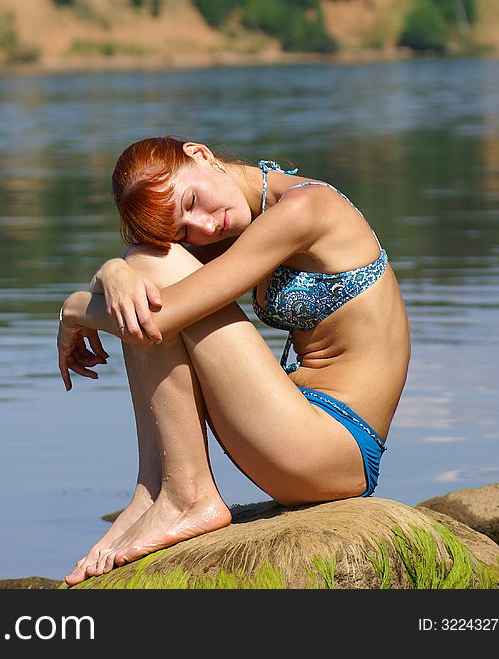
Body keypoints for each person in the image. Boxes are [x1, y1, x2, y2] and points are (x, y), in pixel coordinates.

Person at [56, 136, 410, 587]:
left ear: (200, 153)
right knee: (145, 263)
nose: (202, 228)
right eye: (184, 229)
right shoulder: (240, 220)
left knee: (151, 273)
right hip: (298, 429)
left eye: (192, 200)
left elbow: (157, 317)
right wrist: (110, 271)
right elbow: (144, 276)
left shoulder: (307, 209)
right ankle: (152, 491)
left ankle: (189, 495)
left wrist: (73, 307)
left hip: (336, 444)